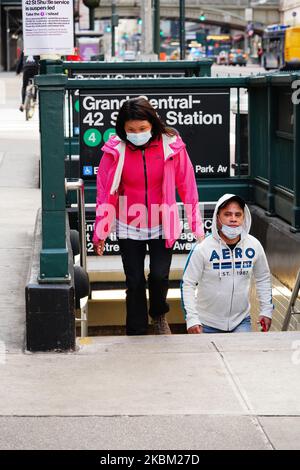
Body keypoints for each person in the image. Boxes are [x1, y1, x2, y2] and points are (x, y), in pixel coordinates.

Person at [93, 97, 204, 336]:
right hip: (128, 223)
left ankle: (159, 315)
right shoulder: (114, 150)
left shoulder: (171, 146)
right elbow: (105, 193)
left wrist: (196, 227)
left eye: (142, 129)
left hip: (162, 222)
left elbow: (188, 186)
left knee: (158, 275)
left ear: (152, 124)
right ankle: (136, 330)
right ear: (122, 128)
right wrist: (100, 232)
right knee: (133, 280)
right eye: (131, 130)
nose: (137, 134)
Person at [181, 194, 273, 334]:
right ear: (218, 218)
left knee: (242, 356)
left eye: (238, 214)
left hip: (241, 322)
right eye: (227, 214)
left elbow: (263, 278)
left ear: (244, 218)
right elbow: (187, 283)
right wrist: (192, 319)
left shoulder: (254, 245)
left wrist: (266, 310)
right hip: (206, 324)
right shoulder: (202, 248)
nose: (233, 219)